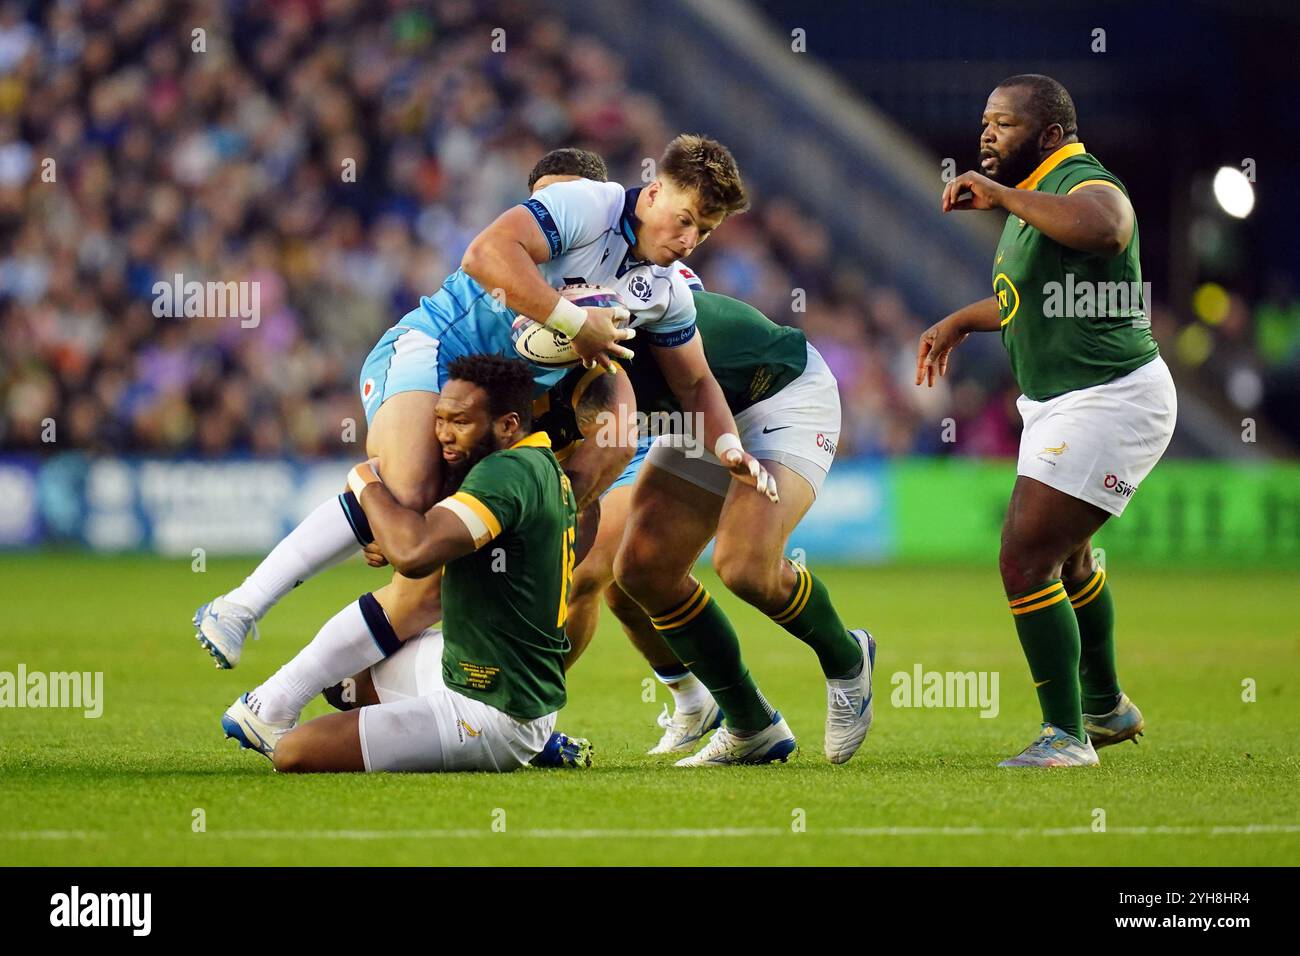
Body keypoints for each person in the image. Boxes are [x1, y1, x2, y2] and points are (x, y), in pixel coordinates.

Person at [916, 74, 1175, 767]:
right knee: (1070, 557)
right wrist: (959, 322)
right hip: (1066, 399)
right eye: (984, 122)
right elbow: (1028, 304)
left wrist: (1001, 195)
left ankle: (1067, 736)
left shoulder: (1081, 180)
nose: (986, 134)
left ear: (1052, 135)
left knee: (1026, 560)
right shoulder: (1037, 206)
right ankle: (1106, 706)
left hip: (1110, 395)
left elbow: (1109, 227)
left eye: (1003, 123)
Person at [545, 290, 876, 764]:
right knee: (641, 571)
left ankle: (847, 658)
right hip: (696, 415)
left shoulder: (626, 325)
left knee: (744, 568)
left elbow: (591, 480)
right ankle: (752, 725)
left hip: (780, 394)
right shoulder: (557, 352)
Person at [224, 356, 577, 773]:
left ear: (507, 425)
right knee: (345, 683)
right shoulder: (540, 466)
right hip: (479, 670)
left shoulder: (506, 474)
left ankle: (513, 743)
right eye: (440, 418)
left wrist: (365, 481)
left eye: (460, 422)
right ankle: (531, 740)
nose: (444, 434)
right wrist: (397, 532)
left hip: (490, 711)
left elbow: (413, 556)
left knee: (293, 753)